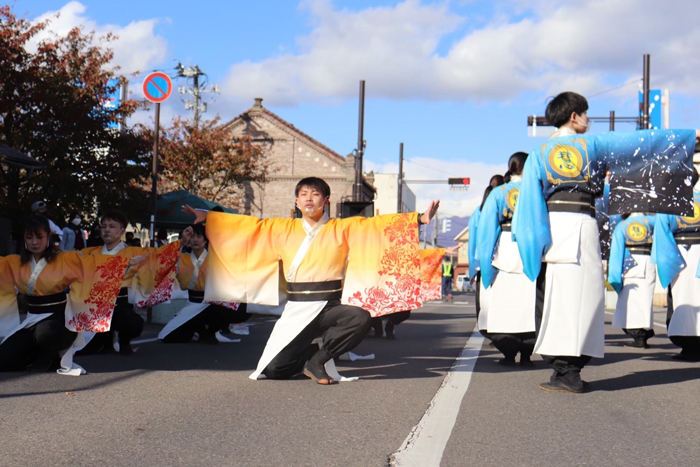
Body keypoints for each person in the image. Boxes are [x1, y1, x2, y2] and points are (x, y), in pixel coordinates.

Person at [513, 91, 698, 393]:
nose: (588, 119)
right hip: (584, 225)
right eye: (585, 114)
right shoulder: (595, 146)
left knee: (556, 299)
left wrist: (534, 244)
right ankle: (571, 369)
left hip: (553, 227)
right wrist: (690, 137)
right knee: (586, 299)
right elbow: (644, 143)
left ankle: (563, 370)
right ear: (574, 116)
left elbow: (530, 205)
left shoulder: (539, 153)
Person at [184, 177, 439, 385]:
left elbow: (375, 226)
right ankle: (306, 354)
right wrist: (208, 216)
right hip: (297, 307)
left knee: (359, 317)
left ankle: (319, 358)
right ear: (296, 201)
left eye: (315, 194)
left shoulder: (342, 227)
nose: (309, 198)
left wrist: (419, 218)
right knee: (274, 371)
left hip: (330, 306)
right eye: (304, 194)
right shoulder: (281, 228)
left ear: (325, 201)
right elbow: (249, 227)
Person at [0, 216, 130, 373]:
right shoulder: (14, 262)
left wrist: (125, 262)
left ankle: (52, 357)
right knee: (5, 359)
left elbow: (92, 264)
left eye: (39, 237)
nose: (34, 242)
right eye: (30, 237)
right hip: (31, 318)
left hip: (59, 318)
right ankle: (34, 354)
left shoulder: (64, 259)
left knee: (46, 332)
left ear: (48, 237)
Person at [77, 211, 186, 355]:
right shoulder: (89, 252)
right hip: (92, 306)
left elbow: (158, 257)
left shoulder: (134, 252)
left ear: (122, 231)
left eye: (111, 226)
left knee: (133, 323)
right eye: (103, 226)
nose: (106, 230)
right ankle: (104, 340)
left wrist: (182, 242)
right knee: (88, 349)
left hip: (119, 305)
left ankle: (124, 340)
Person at [477, 152, 537, 366]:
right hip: (530, 249)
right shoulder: (537, 191)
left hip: (503, 251)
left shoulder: (498, 193)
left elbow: (486, 233)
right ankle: (527, 355)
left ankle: (508, 354)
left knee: (505, 306)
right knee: (529, 304)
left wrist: (486, 268)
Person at [159, 223, 250, 343]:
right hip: (192, 304)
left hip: (211, 304)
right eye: (192, 237)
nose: (195, 240)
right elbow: (162, 260)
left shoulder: (215, 259)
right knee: (168, 337)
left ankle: (210, 330)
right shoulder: (181, 259)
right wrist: (181, 242)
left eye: (199, 236)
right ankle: (200, 330)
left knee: (245, 307)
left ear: (205, 241)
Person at [653, 165, 700, 361]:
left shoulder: (670, 202)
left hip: (678, 252)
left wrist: (669, 262)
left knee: (681, 299)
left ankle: (687, 346)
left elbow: (662, 233)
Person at [607, 214, 657, 349]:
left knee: (629, 305)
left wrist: (614, 277)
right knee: (645, 302)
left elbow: (616, 252)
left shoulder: (623, 225)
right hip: (649, 262)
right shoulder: (654, 221)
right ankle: (645, 333)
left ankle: (639, 337)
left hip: (630, 265)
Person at [472, 175, 505, 340]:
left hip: (481, 262)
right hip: (501, 258)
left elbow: (472, 242)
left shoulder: (478, 212)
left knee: (483, 301)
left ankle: (489, 330)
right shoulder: (503, 204)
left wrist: (472, 266)